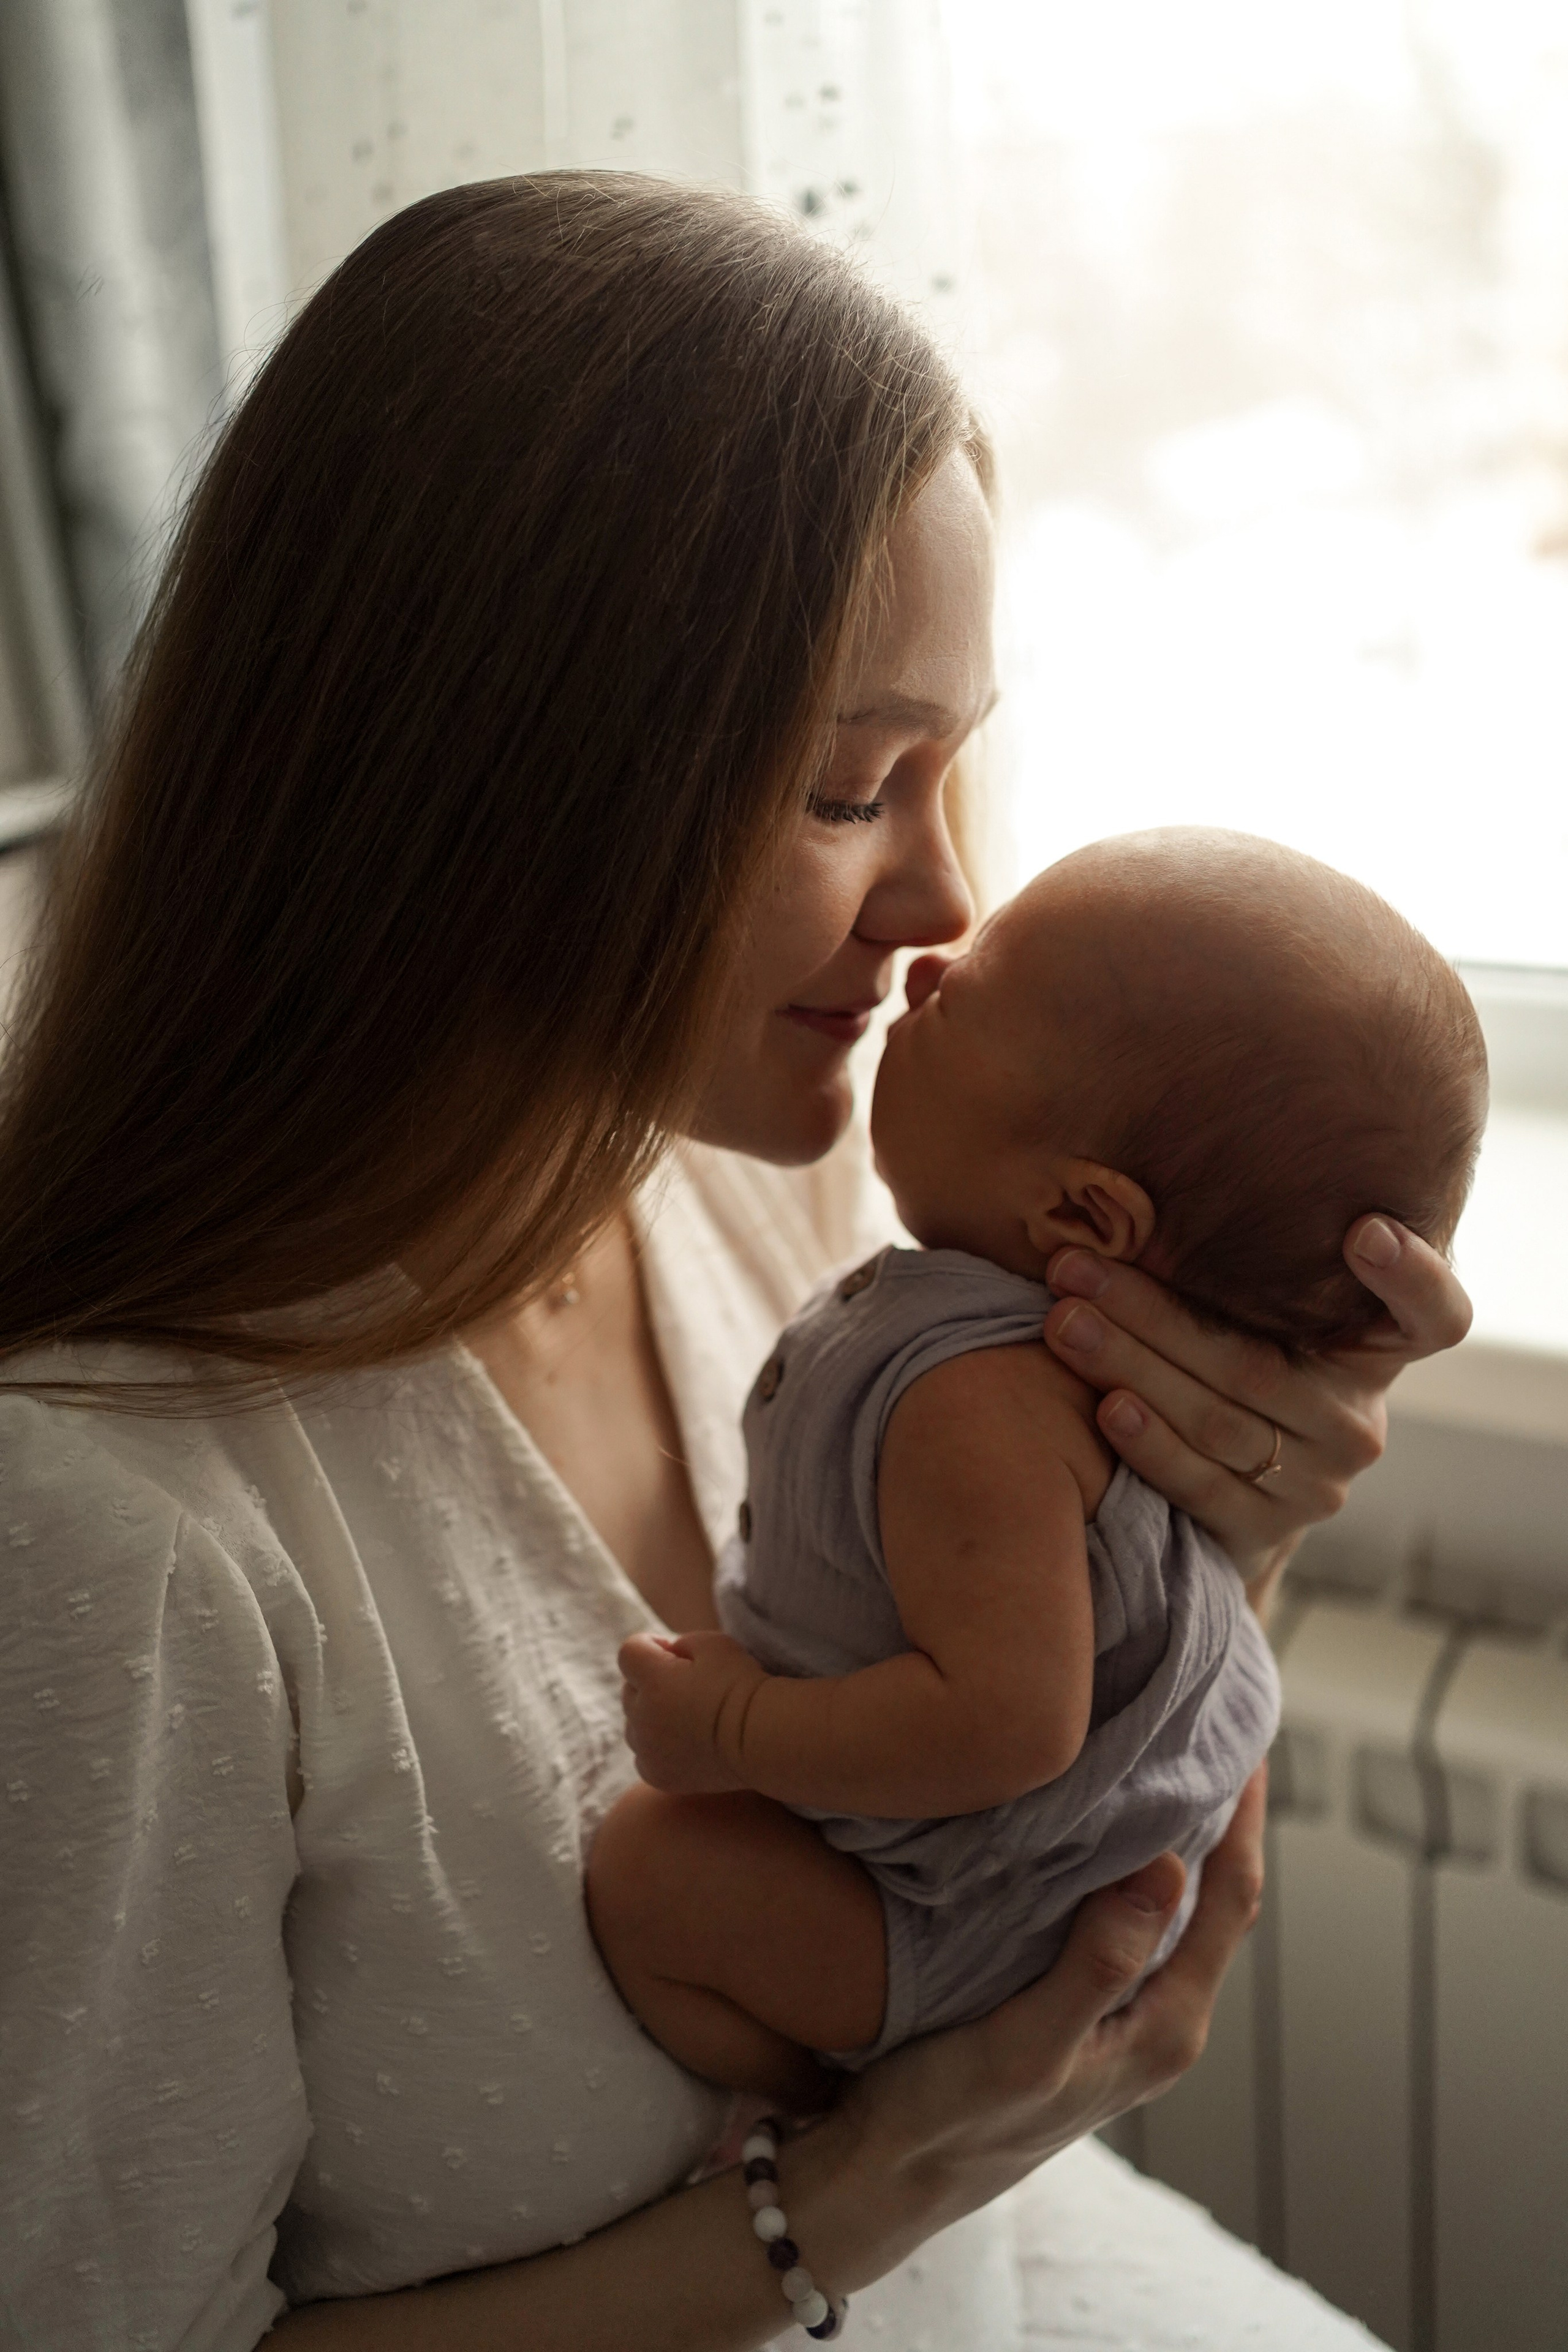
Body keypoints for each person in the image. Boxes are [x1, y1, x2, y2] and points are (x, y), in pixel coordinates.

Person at [0, 175, 1469, 2352]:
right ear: (497, 783)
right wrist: (849, 2204)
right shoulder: (117, 1534)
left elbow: (1018, 1828)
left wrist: (1214, 1502)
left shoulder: (772, 1203)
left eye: (950, 769)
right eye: (853, 788)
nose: (944, 908)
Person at [589, 833, 1486, 2114]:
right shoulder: (994, 1339)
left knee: (652, 1875)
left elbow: (1005, 1726)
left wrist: (732, 1729)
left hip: (979, 1910)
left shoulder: (978, 1401)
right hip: (1019, 1867)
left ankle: (803, 2115)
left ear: (1084, 1218)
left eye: (970, 993)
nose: (925, 964)